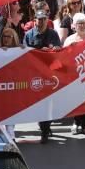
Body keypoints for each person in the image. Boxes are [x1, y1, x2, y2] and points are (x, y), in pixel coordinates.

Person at [24, 10, 62, 143]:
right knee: (38, 104)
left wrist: (55, 49)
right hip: (35, 75)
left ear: (47, 20)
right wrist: (39, 52)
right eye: (39, 19)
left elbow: (59, 50)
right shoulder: (29, 35)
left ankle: (45, 130)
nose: (41, 22)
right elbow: (24, 53)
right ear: (35, 20)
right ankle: (43, 125)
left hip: (50, 74)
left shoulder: (53, 33)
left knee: (49, 104)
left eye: (43, 19)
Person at [64, 14, 85, 134]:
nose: (81, 25)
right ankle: (76, 123)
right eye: (79, 23)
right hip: (75, 75)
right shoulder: (69, 39)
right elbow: (63, 57)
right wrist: (70, 49)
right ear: (74, 26)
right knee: (77, 102)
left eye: (83, 23)